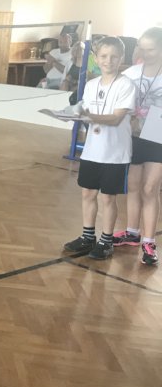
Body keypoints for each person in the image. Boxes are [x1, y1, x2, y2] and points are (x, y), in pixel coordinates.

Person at [62, 37, 136, 260]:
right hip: (92, 151)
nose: (108, 61)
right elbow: (85, 114)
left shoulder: (126, 85)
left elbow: (116, 118)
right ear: (96, 58)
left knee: (108, 198)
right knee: (87, 193)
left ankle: (106, 241)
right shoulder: (91, 85)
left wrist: (88, 116)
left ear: (121, 59)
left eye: (114, 57)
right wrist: (72, 115)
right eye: (103, 56)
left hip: (115, 154)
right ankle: (88, 237)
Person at [111, 27, 162, 265]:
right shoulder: (131, 73)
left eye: (150, 49)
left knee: (150, 189)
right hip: (133, 135)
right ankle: (132, 232)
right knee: (133, 185)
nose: (144, 52)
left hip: (158, 136)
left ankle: (149, 242)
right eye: (141, 47)